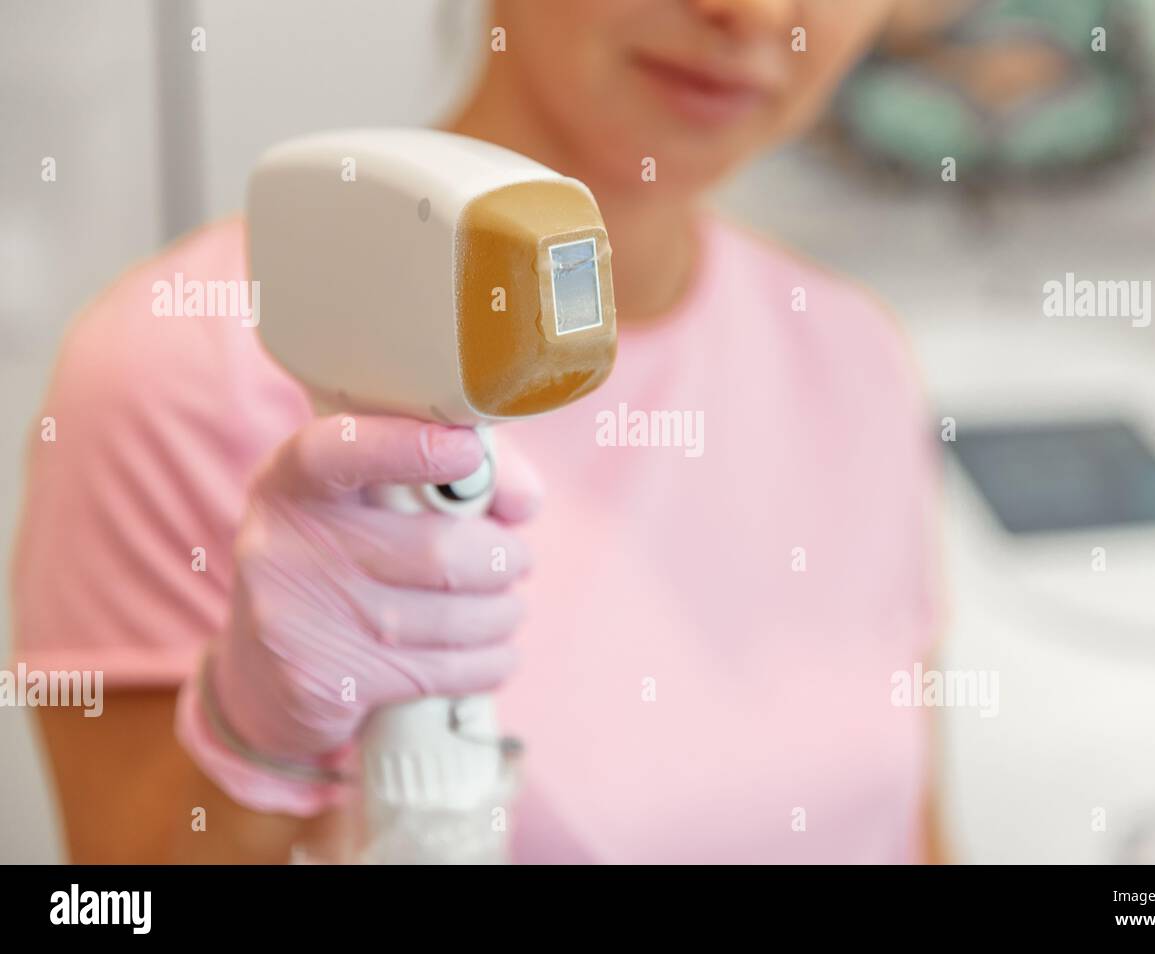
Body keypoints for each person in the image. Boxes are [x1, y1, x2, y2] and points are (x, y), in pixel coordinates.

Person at [14, 0, 943, 863]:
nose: (754, 13)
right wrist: (249, 738)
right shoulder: (183, 365)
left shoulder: (850, 352)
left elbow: (920, 834)